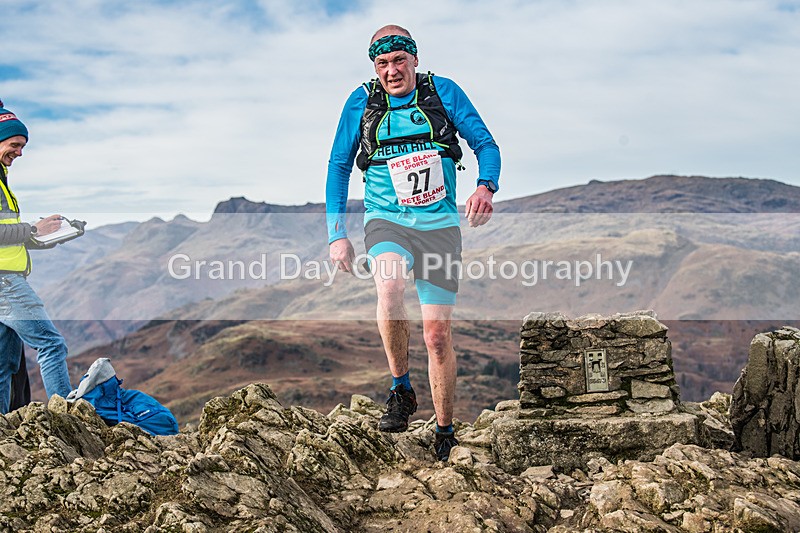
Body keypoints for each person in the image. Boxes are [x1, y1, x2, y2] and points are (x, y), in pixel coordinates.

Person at [326, 25, 500, 461]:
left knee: (437, 335)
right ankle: (401, 389)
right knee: (389, 284)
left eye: (398, 60)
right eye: (382, 63)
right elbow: (338, 166)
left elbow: (485, 144)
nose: (391, 70)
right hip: (387, 220)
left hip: (439, 226)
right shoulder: (361, 102)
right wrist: (337, 234)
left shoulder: (443, 92)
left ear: (415, 60)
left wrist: (485, 187)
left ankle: (445, 430)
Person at [0, 100, 72, 414]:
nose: (19, 152)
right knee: (51, 344)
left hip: (5, 278)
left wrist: (47, 237)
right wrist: (33, 229)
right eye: (15, 144)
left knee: (4, 363)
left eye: (23, 146)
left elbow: (8, 238)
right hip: (6, 283)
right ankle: (68, 420)